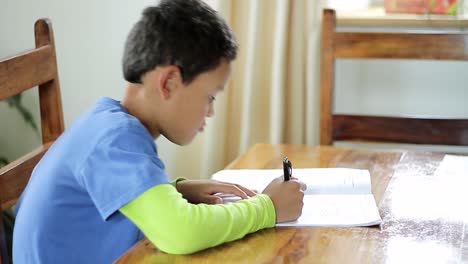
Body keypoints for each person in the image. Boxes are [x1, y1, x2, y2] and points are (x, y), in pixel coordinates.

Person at [12, 0, 306, 263]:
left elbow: (106, 199)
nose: (211, 112)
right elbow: (181, 232)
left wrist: (175, 191)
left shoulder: (107, 122)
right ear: (169, 83)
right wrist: (268, 208)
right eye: (210, 96)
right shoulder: (114, 140)